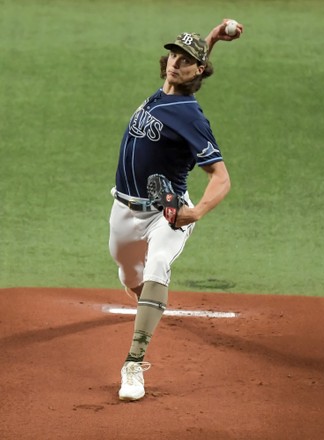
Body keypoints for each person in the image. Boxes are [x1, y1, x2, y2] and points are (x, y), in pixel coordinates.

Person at [108, 19, 243, 401]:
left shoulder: (191, 117)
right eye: (174, 54)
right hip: (123, 209)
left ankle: (133, 363)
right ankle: (149, 305)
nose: (175, 62)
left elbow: (221, 177)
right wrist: (210, 39)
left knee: (157, 266)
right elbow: (186, 70)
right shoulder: (163, 94)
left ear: (196, 71)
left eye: (186, 60)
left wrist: (196, 212)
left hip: (166, 214)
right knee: (127, 270)